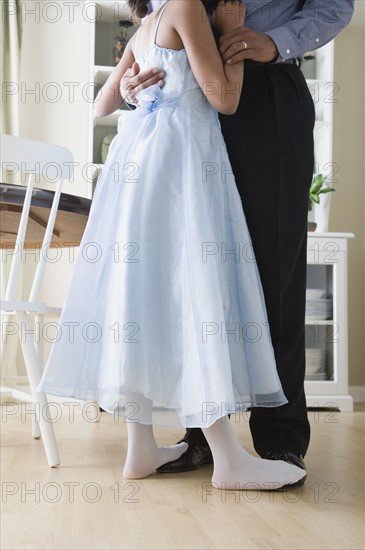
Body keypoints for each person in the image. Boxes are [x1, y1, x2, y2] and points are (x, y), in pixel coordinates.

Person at [36, 0, 306, 490]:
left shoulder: (146, 23)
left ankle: (140, 447)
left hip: (137, 165)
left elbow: (101, 104)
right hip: (184, 164)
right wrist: (234, 37)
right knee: (196, 291)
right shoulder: (187, 8)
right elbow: (223, 99)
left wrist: (136, 91)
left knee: (138, 296)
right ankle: (229, 459)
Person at [120, 0, 355, 479]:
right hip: (182, 93)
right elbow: (153, 26)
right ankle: (203, 437)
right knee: (193, 277)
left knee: (276, 271)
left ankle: (280, 439)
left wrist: (275, 42)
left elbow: (335, 6)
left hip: (265, 88)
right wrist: (130, 85)